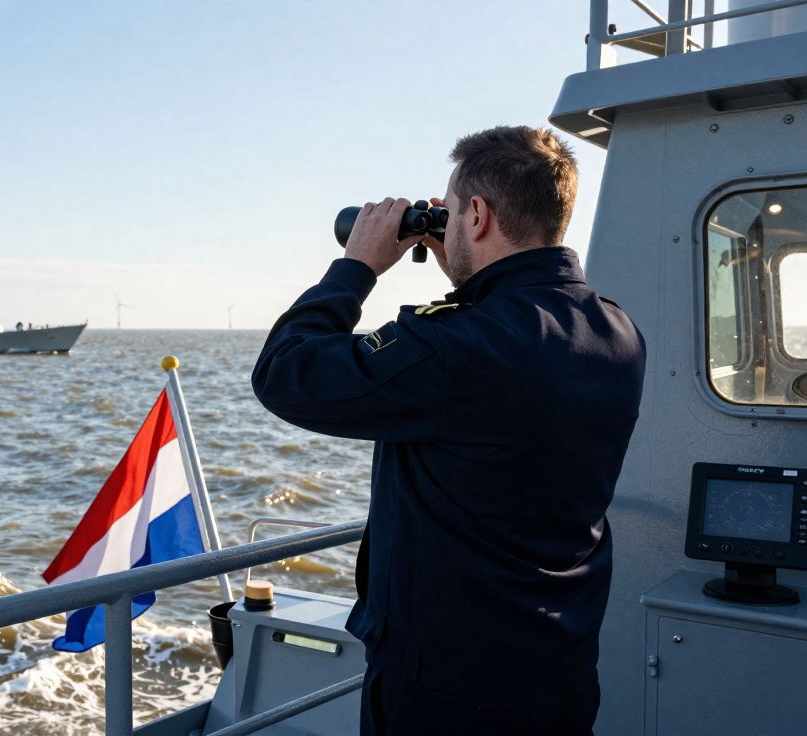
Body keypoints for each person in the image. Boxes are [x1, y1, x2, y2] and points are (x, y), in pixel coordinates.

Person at [251, 126, 646, 735]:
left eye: (454, 211)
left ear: (479, 215)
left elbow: (284, 373)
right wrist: (467, 268)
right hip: (557, 665)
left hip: (448, 686)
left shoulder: (455, 348)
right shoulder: (615, 331)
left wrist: (356, 266)